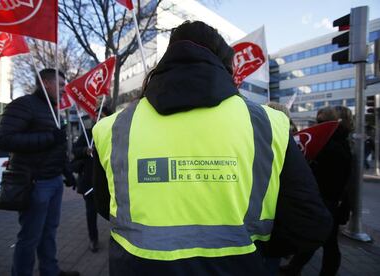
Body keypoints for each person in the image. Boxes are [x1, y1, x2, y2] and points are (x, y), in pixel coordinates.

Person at [92, 21, 332, 275]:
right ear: (225, 65)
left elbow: (105, 204)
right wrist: (260, 251)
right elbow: (311, 222)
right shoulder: (268, 126)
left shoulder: (113, 127)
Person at [0, 69, 79, 276]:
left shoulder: (53, 111)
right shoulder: (23, 105)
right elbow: (4, 139)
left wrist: (66, 172)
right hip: (34, 184)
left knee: (49, 233)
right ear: (46, 83)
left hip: (53, 182)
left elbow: (54, 149)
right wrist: (49, 138)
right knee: (30, 237)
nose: (63, 90)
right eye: (60, 85)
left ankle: (49, 271)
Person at [280, 106, 353, 276]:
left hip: (328, 199)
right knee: (317, 237)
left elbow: (336, 176)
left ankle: (320, 271)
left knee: (328, 242)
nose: (317, 124)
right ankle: (295, 267)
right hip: (325, 198)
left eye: (320, 121)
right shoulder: (334, 142)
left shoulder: (334, 145)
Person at [71, 103, 113, 253]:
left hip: (111, 181)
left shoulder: (115, 131)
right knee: (91, 212)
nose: (98, 118)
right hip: (90, 180)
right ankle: (93, 239)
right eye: (96, 116)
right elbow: (74, 150)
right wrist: (85, 150)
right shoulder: (88, 133)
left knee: (114, 211)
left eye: (102, 116)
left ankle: (118, 238)